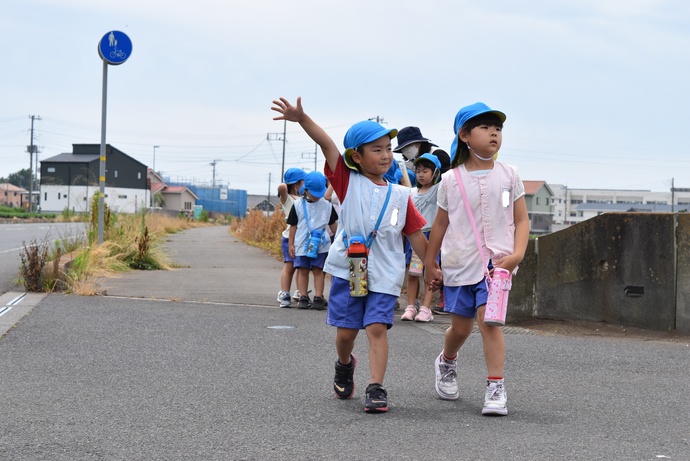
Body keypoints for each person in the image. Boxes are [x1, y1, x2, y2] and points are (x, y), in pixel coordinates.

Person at [271, 97, 428, 413]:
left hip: (385, 271)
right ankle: (345, 363)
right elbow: (327, 144)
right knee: (345, 334)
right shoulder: (346, 181)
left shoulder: (400, 195)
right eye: (377, 149)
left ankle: (376, 387)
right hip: (348, 269)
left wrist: (432, 267)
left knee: (377, 327)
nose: (386, 155)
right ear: (357, 156)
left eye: (388, 148)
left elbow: (414, 234)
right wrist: (302, 119)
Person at [424, 102, 529, 416]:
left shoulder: (510, 176)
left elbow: (521, 219)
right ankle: (447, 361)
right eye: (485, 127)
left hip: (496, 269)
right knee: (460, 328)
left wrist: (517, 254)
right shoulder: (451, 180)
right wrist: (431, 263)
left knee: (489, 323)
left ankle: (495, 385)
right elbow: (440, 223)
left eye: (497, 128)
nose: (494, 132)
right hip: (459, 264)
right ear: (465, 136)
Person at [286, 171, 338, 310]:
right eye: (314, 193)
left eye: (319, 193)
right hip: (302, 243)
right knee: (303, 269)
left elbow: (333, 225)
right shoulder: (297, 205)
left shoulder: (327, 205)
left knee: (318, 270)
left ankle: (318, 297)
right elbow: (293, 226)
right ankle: (303, 296)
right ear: (306, 190)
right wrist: (291, 244)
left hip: (321, 244)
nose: (316, 196)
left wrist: (339, 240)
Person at [400, 153, 441, 323]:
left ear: (435, 173)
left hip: (431, 236)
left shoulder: (437, 191)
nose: (421, 174)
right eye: (418, 171)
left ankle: (426, 308)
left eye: (425, 171)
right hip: (414, 236)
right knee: (412, 272)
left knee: (429, 272)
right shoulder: (411, 192)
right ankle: (410, 306)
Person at [277, 168, 306, 308]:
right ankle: (284, 293)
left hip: (302, 238)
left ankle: (299, 292)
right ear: (297, 183)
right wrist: (289, 183)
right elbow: (282, 187)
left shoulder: (306, 198)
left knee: (301, 267)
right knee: (289, 267)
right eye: (303, 182)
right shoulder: (288, 199)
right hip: (289, 237)